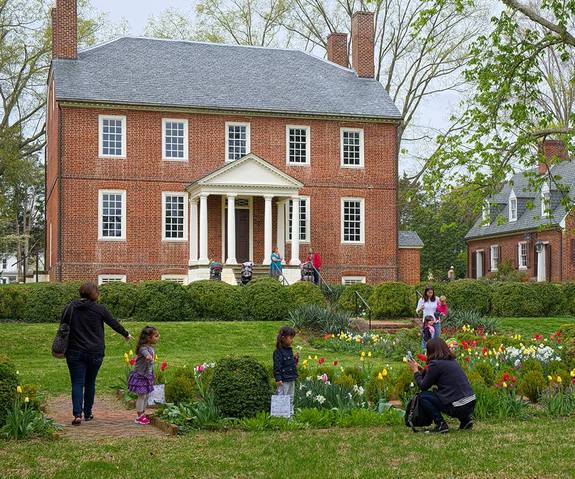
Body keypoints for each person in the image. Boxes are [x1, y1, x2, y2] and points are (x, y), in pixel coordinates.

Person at [64, 282, 132, 426]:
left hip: (74, 351)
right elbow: (113, 323)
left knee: (77, 382)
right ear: (94, 294)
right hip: (95, 352)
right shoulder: (99, 309)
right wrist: (125, 334)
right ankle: (88, 413)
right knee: (90, 382)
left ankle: (77, 414)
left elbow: (63, 326)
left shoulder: (70, 307)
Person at [407, 338, 476, 433]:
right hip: (470, 402)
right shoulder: (451, 361)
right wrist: (421, 369)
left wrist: (415, 371)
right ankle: (466, 420)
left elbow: (423, 386)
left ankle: (441, 424)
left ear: (431, 350)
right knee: (452, 395)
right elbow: (438, 379)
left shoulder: (435, 364)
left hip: (458, 406)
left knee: (423, 396)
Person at [128, 326, 160, 425]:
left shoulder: (150, 347)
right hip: (140, 375)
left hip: (147, 375)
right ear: (148, 338)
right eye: (156, 336)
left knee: (146, 395)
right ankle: (139, 416)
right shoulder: (143, 348)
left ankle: (142, 413)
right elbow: (145, 354)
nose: (158, 337)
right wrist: (148, 357)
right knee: (141, 396)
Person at [273, 326, 299, 416]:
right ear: (283, 338)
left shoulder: (289, 350)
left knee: (291, 397)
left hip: (291, 378)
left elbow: (291, 364)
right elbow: (277, 366)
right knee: (283, 398)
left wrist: (295, 359)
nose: (292, 340)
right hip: (283, 380)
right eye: (290, 338)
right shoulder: (278, 352)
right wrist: (278, 378)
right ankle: (280, 416)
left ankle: (290, 416)